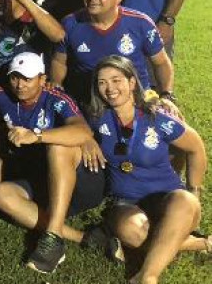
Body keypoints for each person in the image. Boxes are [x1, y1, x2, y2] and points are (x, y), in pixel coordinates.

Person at [83, 56, 208, 283]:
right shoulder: (96, 119)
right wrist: (86, 140)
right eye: (102, 82)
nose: (109, 88)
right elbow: (73, 129)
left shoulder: (156, 117)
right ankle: (199, 243)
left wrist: (194, 190)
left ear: (132, 82)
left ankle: (147, 276)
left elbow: (196, 147)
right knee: (129, 229)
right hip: (126, 203)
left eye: (116, 80)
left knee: (185, 201)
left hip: (169, 198)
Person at [0, 52, 104, 274]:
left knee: (57, 146)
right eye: (15, 77)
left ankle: (51, 240)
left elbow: (83, 130)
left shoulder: (55, 98)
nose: (20, 84)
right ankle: (83, 237)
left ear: (42, 79)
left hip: (80, 182)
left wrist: (37, 136)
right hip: (43, 178)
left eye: (27, 78)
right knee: (0, 194)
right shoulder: (0, 97)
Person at [50, 0, 173, 110]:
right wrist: (57, 87)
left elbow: (161, 63)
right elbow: (59, 61)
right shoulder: (71, 23)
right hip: (89, 103)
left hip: (135, 101)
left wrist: (166, 95)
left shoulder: (141, 24)